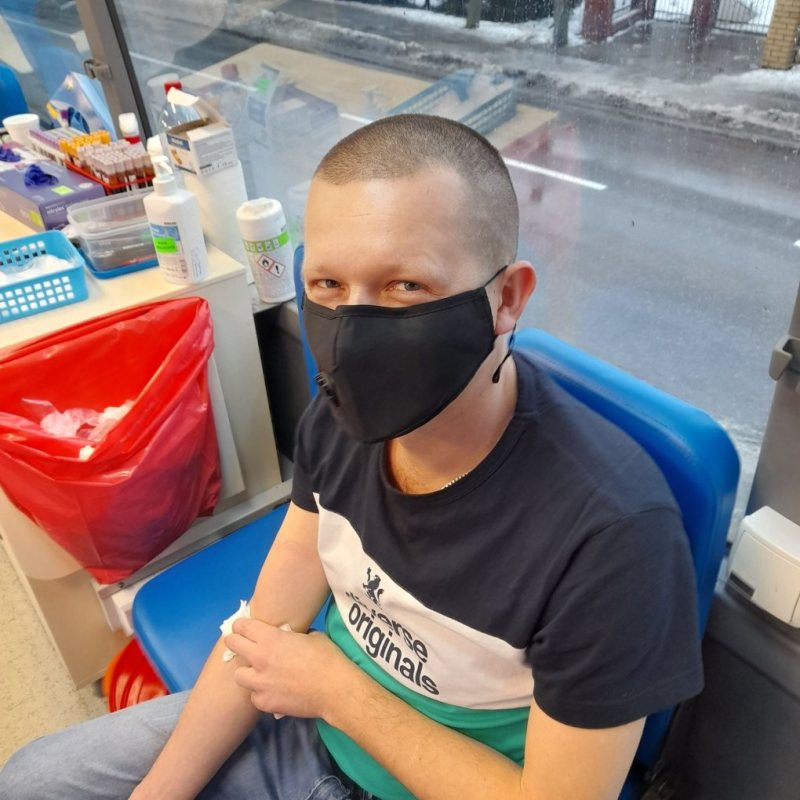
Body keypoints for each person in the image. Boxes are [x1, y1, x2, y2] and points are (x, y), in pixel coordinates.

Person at [0, 114, 702, 800]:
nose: (354, 334)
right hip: (304, 716)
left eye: (406, 286)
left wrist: (338, 692)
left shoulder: (614, 535)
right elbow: (268, 625)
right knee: (32, 778)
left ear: (506, 299)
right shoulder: (340, 423)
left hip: (392, 748)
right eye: (328, 286)